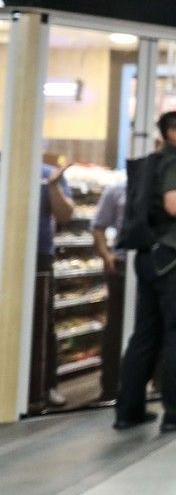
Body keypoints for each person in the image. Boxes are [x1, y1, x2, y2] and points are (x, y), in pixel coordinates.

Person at [114, 111, 176, 433]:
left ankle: (128, 410)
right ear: (172, 133)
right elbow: (175, 205)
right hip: (173, 260)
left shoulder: (155, 162)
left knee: (146, 334)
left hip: (149, 257)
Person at [34, 162, 74, 409]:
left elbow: (65, 215)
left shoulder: (48, 173)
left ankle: (44, 387)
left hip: (39, 257)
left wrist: (52, 186)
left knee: (42, 322)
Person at [92, 180, 127, 401]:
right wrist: (106, 255)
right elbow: (98, 226)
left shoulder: (164, 184)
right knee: (115, 326)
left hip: (155, 267)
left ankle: (155, 383)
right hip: (121, 266)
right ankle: (110, 387)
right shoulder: (116, 188)